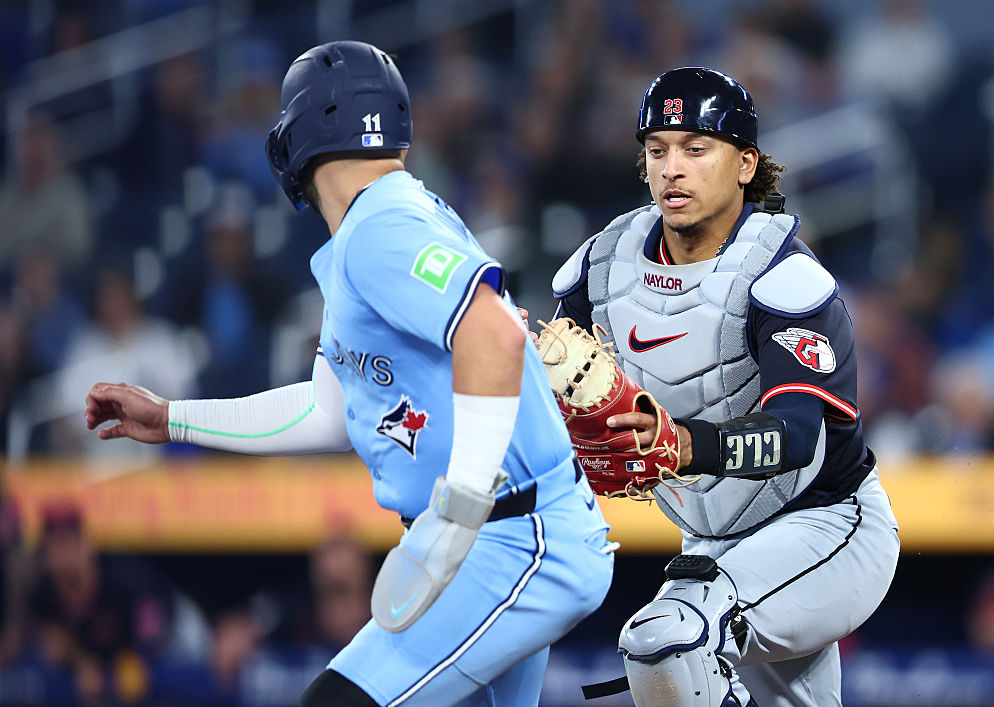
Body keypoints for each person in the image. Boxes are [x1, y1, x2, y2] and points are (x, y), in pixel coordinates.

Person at [84, 40, 614, 707]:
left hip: (512, 536)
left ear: (305, 130)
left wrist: (460, 511)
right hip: (500, 533)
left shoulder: (382, 227)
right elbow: (327, 410)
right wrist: (175, 417)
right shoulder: (383, 220)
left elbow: (499, 336)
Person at [548, 67, 900, 706]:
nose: (672, 169)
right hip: (714, 537)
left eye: (695, 148)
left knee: (669, 639)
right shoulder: (602, 268)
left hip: (826, 526)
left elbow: (799, 438)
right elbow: (543, 397)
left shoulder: (781, 275)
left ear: (745, 164)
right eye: (658, 151)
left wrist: (683, 445)